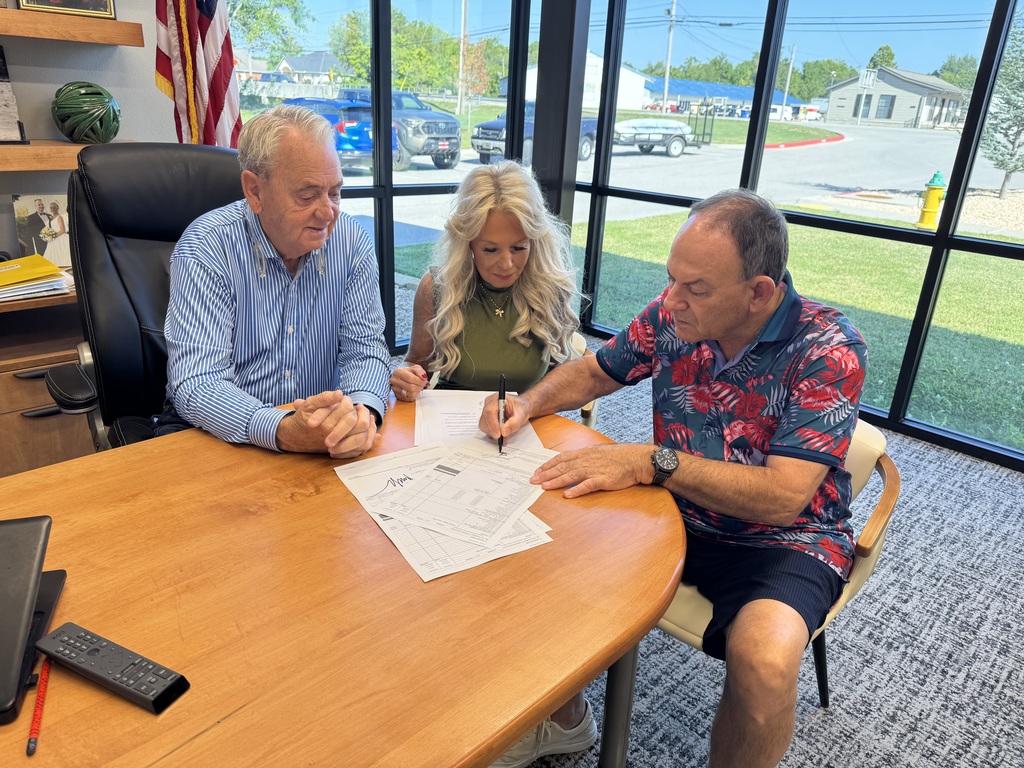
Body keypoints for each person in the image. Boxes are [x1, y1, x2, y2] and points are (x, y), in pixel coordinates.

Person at [480, 189, 867, 768]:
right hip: (672, 511)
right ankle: (564, 718)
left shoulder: (827, 350)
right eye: (672, 279)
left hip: (781, 540)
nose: (671, 300)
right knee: (526, 542)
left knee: (764, 663)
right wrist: (529, 403)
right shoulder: (672, 315)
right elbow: (595, 371)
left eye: (696, 288)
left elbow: (785, 498)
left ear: (759, 292)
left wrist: (650, 462)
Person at [163, 104, 390, 458]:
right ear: (255, 191)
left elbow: (366, 350)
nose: (328, 212)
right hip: (219, 435)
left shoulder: (351, 241)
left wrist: (363, 413)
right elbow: (197, 382)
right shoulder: (206, 248)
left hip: (319, 438)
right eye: (307, 194)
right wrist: (281, 429)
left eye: (334, 192)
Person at [390, 160, 581, 400]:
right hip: (449, 422)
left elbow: (561, 378)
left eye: (519, 248)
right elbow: (416, 364)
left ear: (535, 240)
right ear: (467, 243)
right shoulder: (436, 288)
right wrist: (407, 379)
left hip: (528, 420)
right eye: (490, 250)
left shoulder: (550, 289)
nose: (506, 265)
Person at [44, 201, 72, 268]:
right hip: (53, 239)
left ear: (58, 208)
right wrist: (47, 236)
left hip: (59, 238)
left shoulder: (59, 217)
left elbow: (63, 230)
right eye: (51, 208)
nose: (52, 209)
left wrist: (53, 236)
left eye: (54, 207)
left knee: (61, 256)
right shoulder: (51, 218)